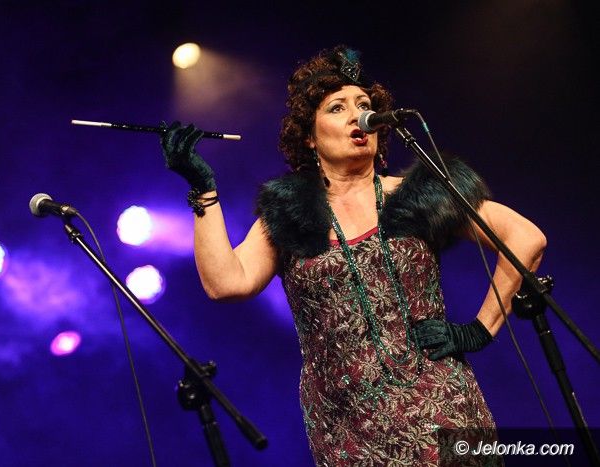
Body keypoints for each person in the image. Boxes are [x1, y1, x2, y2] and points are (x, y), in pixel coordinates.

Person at [160, 46, 546, 466]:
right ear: (309, 137)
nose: (357, 116)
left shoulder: (417, 194)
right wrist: (204, 192)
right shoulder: (289, 213)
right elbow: (225, 283)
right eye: (337, 107)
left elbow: (525, 238)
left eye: (364, 105)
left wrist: (479, 330)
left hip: (441, 410)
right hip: (346, 430)